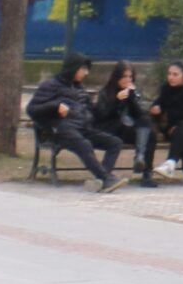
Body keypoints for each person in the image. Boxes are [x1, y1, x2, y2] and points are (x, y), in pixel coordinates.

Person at [26, 55, 120, 192]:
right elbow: (32, 109)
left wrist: (114, 101)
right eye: (83, 69)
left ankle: (101, 178)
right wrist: (56, 106)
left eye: (87, 70)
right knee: (84, 144)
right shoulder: (51, 85)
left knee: (114, 143)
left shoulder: (79, 89)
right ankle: (105, 178)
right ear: (72, 68)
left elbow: (96, 113)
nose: (86, 73)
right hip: (60, 130)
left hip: (84, 128)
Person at [91, 61, 158, 187]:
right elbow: (102, 116)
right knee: (128, 126)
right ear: (116, 77)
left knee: (150, 131)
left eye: (130, 77)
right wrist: (117, 100)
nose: (127, 80)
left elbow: (140, 115)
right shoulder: (105, 92)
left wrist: (131, 98)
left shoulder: (131, 92)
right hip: (110, 129)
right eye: (124, 76)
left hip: (125, 129)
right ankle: (140, 158)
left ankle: (144, 166)